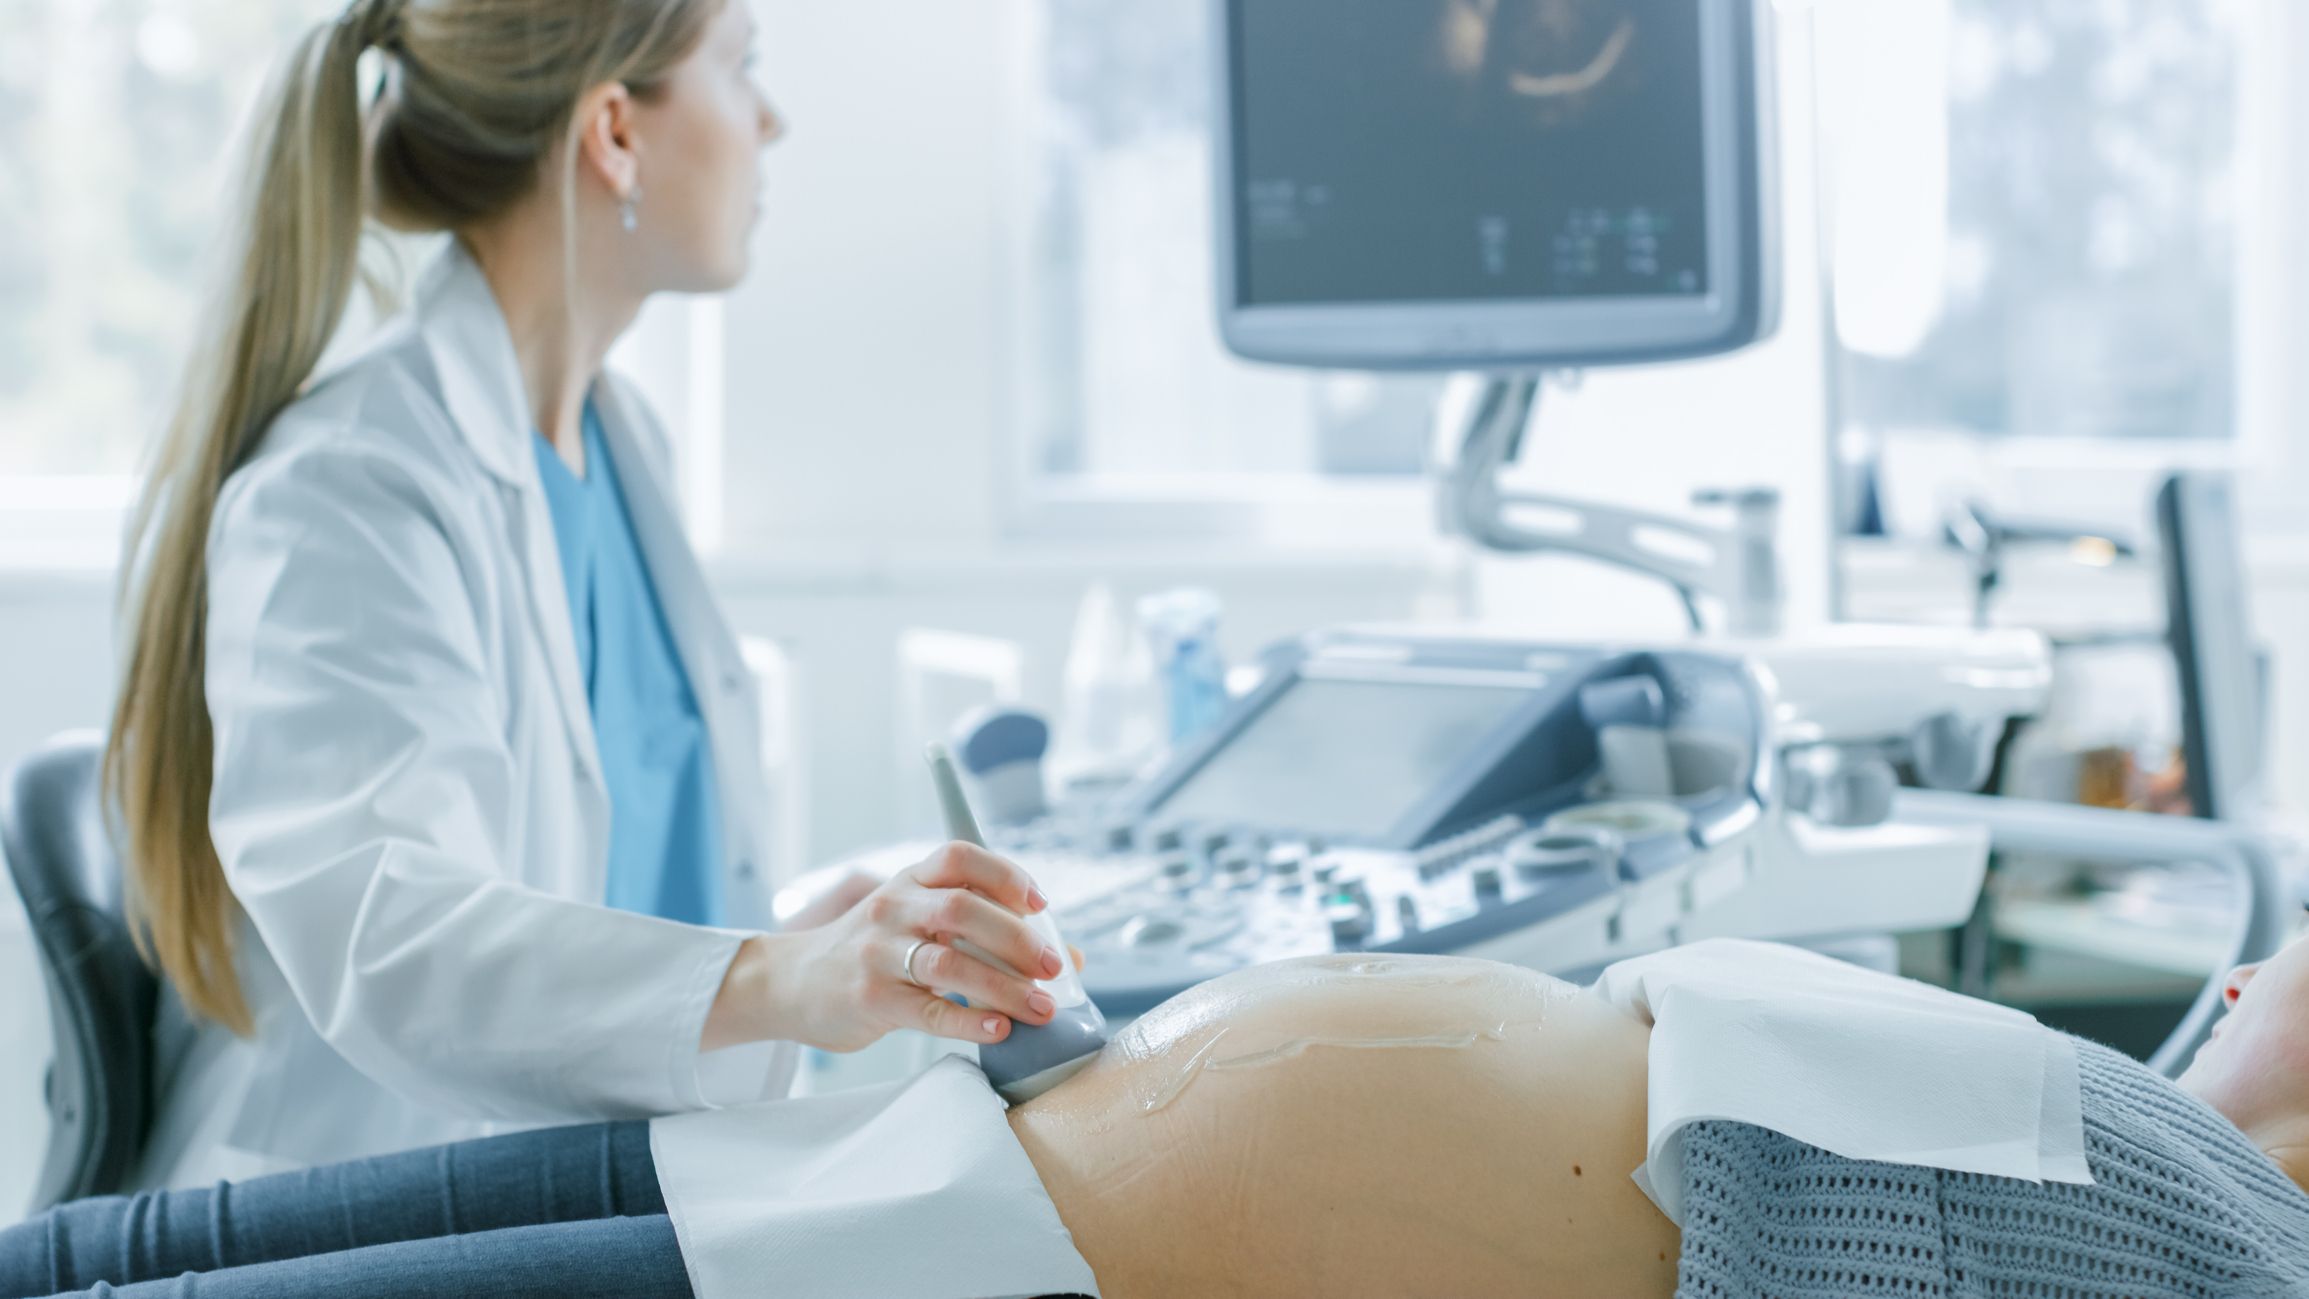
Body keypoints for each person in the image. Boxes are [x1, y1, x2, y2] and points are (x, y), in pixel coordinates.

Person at [103, 0, 1065, 1190]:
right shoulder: (349, 483)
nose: (771, 118)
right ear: (615, 131)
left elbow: (579, 895)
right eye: (739, 67)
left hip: (584, 1181)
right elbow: (392, 941)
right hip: (364, 1205)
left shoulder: (618, 443)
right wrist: (778, 978)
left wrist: (803, 934)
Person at [6, 934, 2306, 1298]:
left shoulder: (2219, 1238)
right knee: (107, 1250)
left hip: (961, 1254)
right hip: (943, 1139)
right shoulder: (2155, 1151)